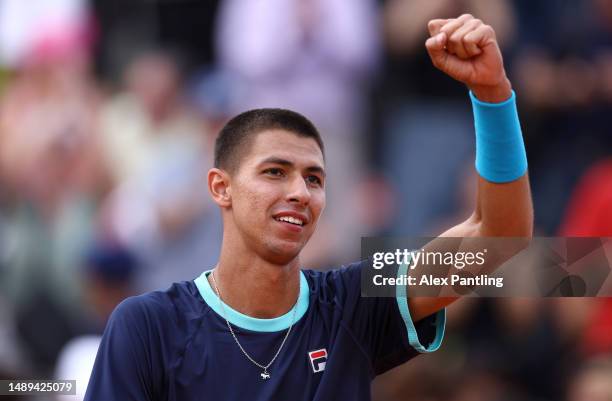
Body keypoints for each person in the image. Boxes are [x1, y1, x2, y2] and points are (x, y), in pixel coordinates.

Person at [84, 15, 533, 401]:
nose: (300, 191)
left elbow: (500, 237)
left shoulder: (353, 301)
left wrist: (492, 94)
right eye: (275, 172)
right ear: (221, 188)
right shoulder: (147, 325)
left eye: (314, 179)